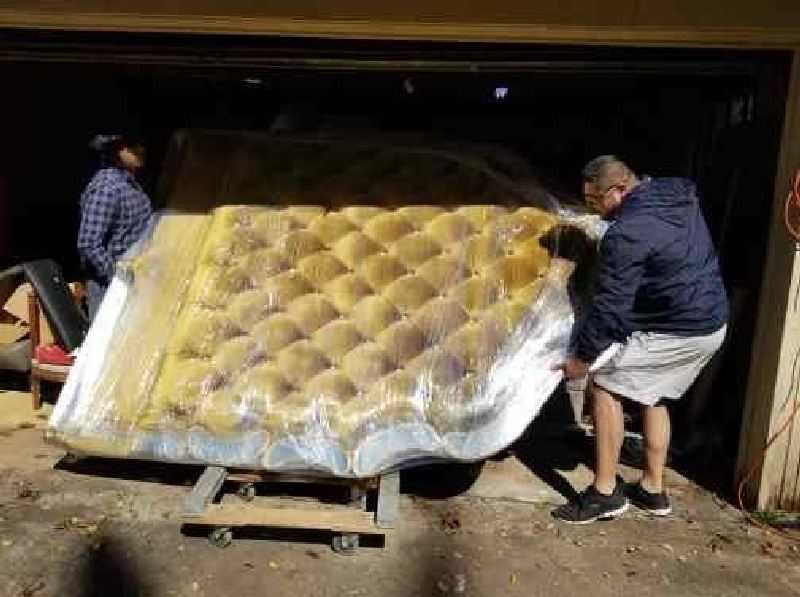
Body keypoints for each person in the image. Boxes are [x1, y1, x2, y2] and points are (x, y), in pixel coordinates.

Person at [552, 155, 728, 524]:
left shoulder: (627, 234)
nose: (594, 210)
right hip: (710, 323)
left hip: (677, 330)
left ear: (619, 190)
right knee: (653, 394)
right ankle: (652, 489)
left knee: (605, 386)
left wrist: (582, 360)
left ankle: (604, 493)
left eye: (595, 201)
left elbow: (611, 310)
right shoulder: (675, 193)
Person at [77, 134, 152, 320]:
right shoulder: (107, 188)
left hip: (135, 281)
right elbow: (88, 243)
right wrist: (119, 278)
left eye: (140, 144)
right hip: (111, 289)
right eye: (131, 146)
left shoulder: (130, 183)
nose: (140, 150)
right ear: (115, 151)